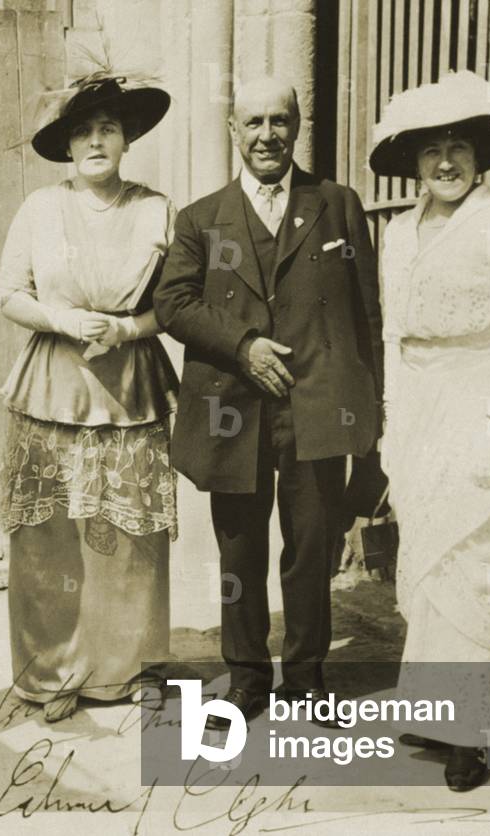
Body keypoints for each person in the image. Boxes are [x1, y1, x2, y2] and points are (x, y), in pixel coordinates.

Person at [154, 77, 383, 730]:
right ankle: (247, 678)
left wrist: (372, 409)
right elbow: (171, 303)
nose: (265, 135)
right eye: (252, 123)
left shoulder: (336, 205)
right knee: (239, 550)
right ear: (232, 130)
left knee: (311, 545)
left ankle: (306, 678)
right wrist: (243, 345)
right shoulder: (200, 218)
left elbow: (367, 311)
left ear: (297, 125)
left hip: (317, 407)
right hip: (233, 406)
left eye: (278, 121)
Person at [369, 70, 490, 791]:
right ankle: (434, 704)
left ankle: (480, 728)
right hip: (420, 406)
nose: (443, 162)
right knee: (431, 560)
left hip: (485, 404)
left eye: (456, 148)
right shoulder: (397, 234)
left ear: (479, 157)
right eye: (428, 150)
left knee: (485, 563)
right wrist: (391, 425)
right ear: (412, 162)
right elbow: (391, 334)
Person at [0, 74, 179, 722]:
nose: (96, 140)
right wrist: (62, 320)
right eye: (82, 130)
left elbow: (178, 301)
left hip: (130, 382)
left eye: (106, 127)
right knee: (48, 536)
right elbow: (7, 293)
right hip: (53, 381)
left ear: (126, 138)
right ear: (66, 146)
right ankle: (51, 673)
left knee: (128, 536)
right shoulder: (40, 209)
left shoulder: (156, 208)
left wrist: (130, 327)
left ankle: (124, 670)